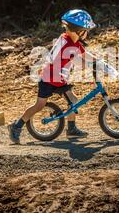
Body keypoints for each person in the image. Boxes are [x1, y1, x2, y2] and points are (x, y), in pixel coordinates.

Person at [9, 9, 97, 144]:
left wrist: (98, 61)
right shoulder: (65, 43)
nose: (87, 33)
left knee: (73, 101)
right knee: (39, 105)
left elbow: (85, 56)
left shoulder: (74, 43)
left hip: (59, 78)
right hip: (49, 79)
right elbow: (59, 59)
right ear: (78, 30)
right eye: (86, 30)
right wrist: (82, 64)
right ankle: (16, 126)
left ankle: (71, 129)